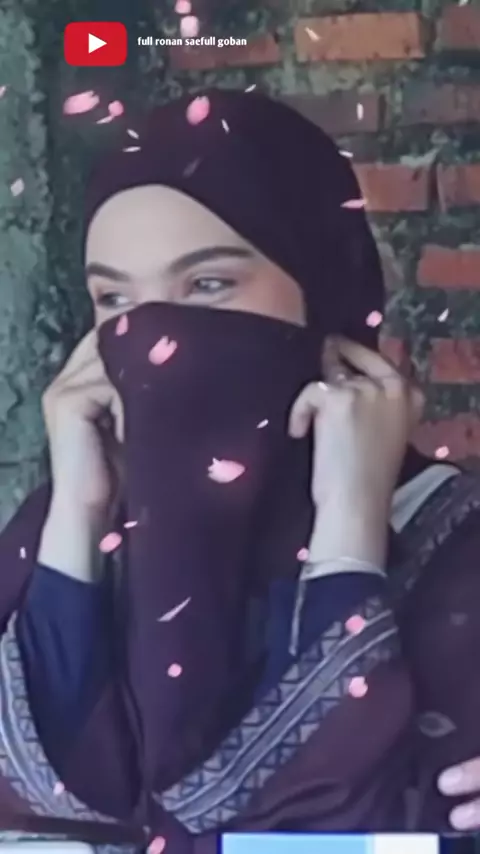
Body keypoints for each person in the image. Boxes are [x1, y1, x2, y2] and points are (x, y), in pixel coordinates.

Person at [0, 88, 479, 853]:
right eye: (114, 298)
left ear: (325, 293)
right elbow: (35, 801)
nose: (152, 338)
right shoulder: (59, 541)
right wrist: (77, 518)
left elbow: (335, 838)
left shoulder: (456, 551)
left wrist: (349, 525)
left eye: (208, 285)